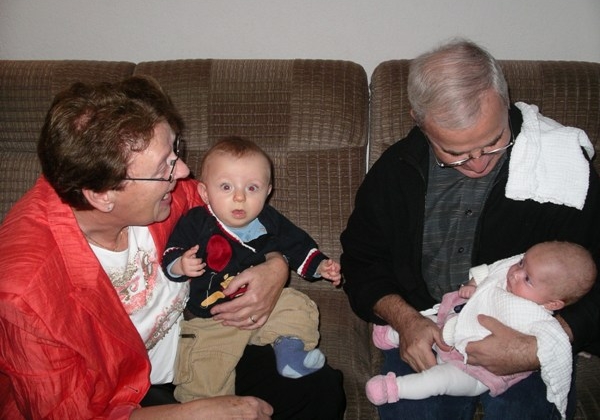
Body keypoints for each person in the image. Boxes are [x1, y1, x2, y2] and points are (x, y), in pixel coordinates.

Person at [0, 76, 346, 419]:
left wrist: (276, 265)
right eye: (165, 166)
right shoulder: (25, 295)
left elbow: (243, 219)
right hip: (121, 397)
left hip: (199, 337)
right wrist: (193, 414)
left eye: (175, 152)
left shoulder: (167, 195)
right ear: (102, 195)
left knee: (318, 390)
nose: (183, 171)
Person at [340, 38, 600, 420]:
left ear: (505, 100)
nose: (478, 163)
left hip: (530, 329)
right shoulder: (395, 173)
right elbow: (361, 262)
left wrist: (537, 347)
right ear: (419, 120)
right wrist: (406, 320)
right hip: (431, 325)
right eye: (455, 153)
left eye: (493, 143)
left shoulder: (561, 166)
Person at [162, 136, 342, 401]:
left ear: (267, 191)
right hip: (213, 319)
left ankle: (290, 352)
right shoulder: (196, 221)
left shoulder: (269, 220)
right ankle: (205, 403)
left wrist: (320, 266)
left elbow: (297, 244)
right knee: (203, 370)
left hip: (265, 310)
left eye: (252, 188)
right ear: (204, 192)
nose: (239, 197)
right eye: (226, 187)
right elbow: (172, 250)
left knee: (297, 305)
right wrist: (180, 264)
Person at [366, 241, 597, 419]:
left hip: (479, 371)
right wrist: (473, 285)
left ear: (553, 303)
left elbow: (556, 350)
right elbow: (491, 270)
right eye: (521, 263)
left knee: (440, 381)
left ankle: (394, 388)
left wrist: (551, 381)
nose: (515, 273)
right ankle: (392, 334)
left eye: (527, 279)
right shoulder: (514, 272)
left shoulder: (542, 322)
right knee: (430, 322)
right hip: (455, 324)